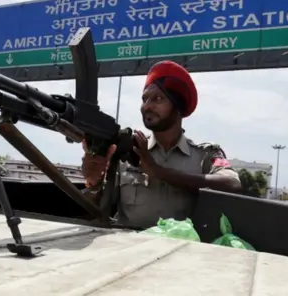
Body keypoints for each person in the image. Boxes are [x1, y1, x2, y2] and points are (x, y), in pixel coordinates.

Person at [81, 61, 241, 229]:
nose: (147, 106)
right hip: (127, 251)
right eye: (144, 99)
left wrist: (159, 171)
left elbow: (232, 185)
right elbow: (96, 211)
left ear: (178, 107)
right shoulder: (127, 151)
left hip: (184, 253)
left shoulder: (205, 155)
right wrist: (93, 183)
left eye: (158, 98)